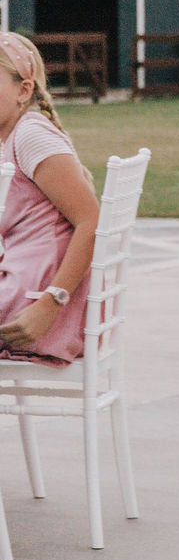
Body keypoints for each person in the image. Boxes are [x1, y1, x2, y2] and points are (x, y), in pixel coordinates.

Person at [0, 32, 99, 364]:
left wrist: (49, 303)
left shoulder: (30, 136)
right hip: (23, 290)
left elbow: (92, 222)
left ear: (24, 90)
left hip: (36, 310)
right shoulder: (12, 137)